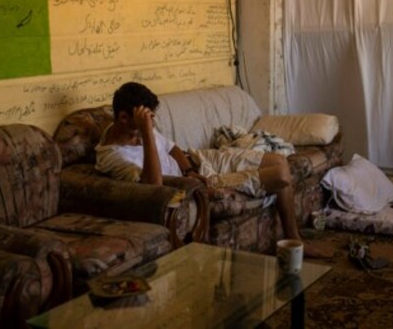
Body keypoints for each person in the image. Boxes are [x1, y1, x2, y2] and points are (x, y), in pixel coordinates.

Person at [95, 82, 332, 258]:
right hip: (191, 188)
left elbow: (172, 147)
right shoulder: (112, 157)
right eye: (145, 124)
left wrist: (189, 168)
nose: (151, 126)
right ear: (124, 118)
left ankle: (295, 240)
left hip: (198, 162)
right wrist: (146, 134)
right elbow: (154, 187)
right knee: (281, 176)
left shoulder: (138, 125)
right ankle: (293, 245)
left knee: (279, 161)